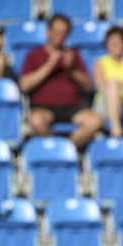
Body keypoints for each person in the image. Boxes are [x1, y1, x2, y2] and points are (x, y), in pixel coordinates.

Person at [19, 13, 103, 150]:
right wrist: (49, 65)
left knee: (95, 121)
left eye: (64, 32)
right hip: (44, 106)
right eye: (56, 31)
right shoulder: (33, 55)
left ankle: (63, 149)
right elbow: (24, 85)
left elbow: (88, 86)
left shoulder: (72, 55)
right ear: (48, 32)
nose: (60, 35)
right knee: (36, 120)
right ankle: (58, 151)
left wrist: (72, 70)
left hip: (73, 106)